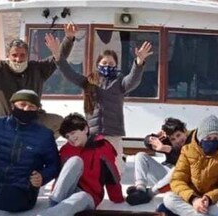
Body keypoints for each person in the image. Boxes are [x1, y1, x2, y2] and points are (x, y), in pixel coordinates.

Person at [4, 113, 123, 216]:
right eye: (67, 136)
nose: (70, 138)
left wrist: (117, 198)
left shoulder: (103, 146)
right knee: (75, 161)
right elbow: (60, 175)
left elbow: (112, 175)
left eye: (73, 133)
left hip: (89, 196)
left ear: (85, 129)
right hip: (62, 194)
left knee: (81, 196)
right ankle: (51, 214)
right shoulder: (66, 149)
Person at [46, 35, 153, 167]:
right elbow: (69, 73)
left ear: (116, 65)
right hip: (92, 133)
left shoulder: (120, 83)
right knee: (92, 167)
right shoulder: (89, 81)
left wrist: (139, 62)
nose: (108, 66)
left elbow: (133, 79)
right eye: (104, 63)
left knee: (115, 169)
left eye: (111, 64)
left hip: (113, 133)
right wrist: (57, 56)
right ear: (98, 65)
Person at [0, 21, 76, 119]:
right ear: (8, 55)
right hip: (5, 125)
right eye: (14, 55)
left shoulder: (37, 69)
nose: (18, 59)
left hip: (32, 124)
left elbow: (58, 58)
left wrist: (69, 37)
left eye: (22, 55)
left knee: (58, 122)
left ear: (28, 55)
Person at [162, 115, 218, 216]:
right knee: (169, 199)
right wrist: (194, 199)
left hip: (212, 202)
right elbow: (177, 180)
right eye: (208, 138)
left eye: (215, 138)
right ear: (201, 138)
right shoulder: (187, 151)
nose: (212, 141)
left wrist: (209, 198)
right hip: (191, 198)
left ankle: (184, 212)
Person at [126, 117, 190, 206]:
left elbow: (187, 158)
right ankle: (140, 189)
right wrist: (154, 138)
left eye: (178, 135)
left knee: (177, 168)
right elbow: (147, 142)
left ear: (184, 131)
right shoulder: (168, 142)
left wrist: (168, 149)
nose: (177, 140)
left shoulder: (193, 142)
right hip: (163, 176)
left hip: (177, 181)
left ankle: (149, 194)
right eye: (173, 139)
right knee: (141, 155)